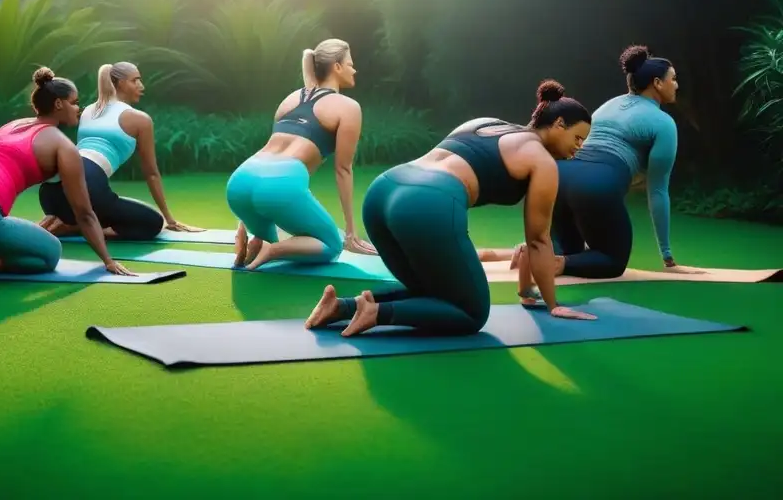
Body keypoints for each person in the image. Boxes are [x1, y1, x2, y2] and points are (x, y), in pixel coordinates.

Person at [304, 80, 597, 338]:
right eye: (577, 138)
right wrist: (553, 304)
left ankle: (342, 307)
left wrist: (525, 290)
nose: (578, 148)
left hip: (383, 191)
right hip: (427, 202)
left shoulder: (484, 123)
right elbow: (538, 240)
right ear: (559, 123)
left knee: (437, 291)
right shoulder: (542, 162)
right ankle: (377, 314)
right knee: (472, 312)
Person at [0, 68, 136, 277]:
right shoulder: (63, 146)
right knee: (48, 254)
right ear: (59, 104)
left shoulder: (11, 125)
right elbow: (84, 214)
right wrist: (108, 260)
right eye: (74, 102)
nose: (78, 108)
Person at [543, 44, 698, 279]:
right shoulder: (663, 123)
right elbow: (657, 191)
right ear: (657, 83)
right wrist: (668, 258)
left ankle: (537, 253)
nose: (676, 85)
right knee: (612, 260)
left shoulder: (609, 104)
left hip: (558, 176)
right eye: (673, 79)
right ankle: (556, 262)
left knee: (569, 251)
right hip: (596, 183)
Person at [227, 38, 376, 271]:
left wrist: (245, 220)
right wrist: (351, 233)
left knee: (273, 232)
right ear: (336, 67)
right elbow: (343, 169)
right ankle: (271, 250)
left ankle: (255, 238)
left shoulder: (290, 99)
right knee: (331, 245)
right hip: (280, 184)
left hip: (240, 181)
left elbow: (310, 97)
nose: (354, 69)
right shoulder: (348, 107)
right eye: (349, 63)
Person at [38, 61, 202, 240]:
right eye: (135, 80)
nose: (141, 86)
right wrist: (170, 220)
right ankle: (75, 226)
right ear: (121, 83)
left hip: (49, 194)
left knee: (106, 203)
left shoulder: (86, 112)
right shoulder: (140, 120)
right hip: (88, 189)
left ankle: (69, 221)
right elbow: (152, 173)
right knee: (153, 222)